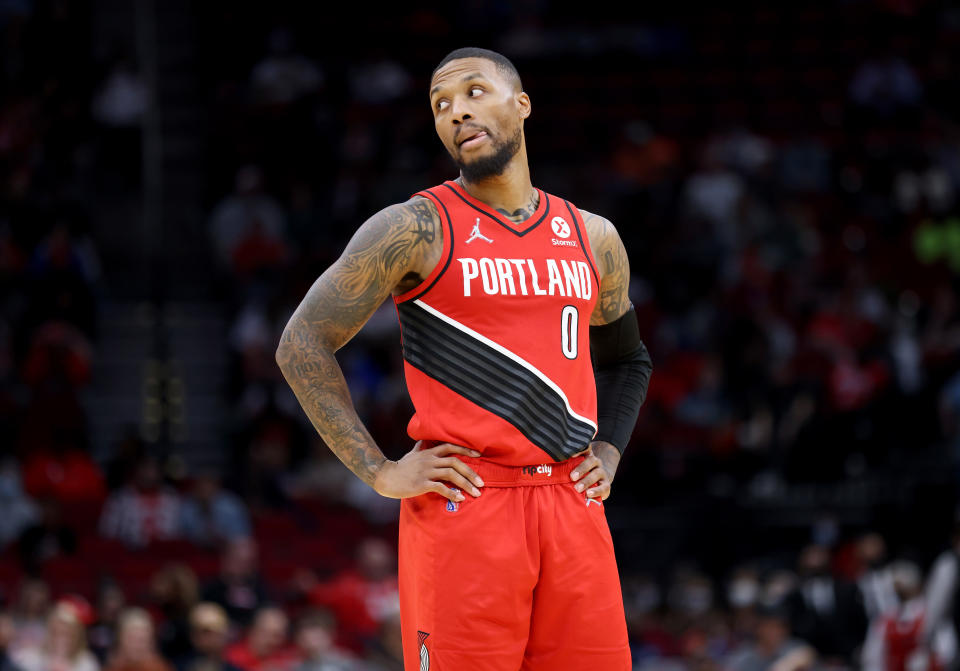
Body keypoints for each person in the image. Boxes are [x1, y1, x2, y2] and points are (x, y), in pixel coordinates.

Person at [276, 46, 652, 670]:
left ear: (522, 104)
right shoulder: (412, 227)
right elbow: (301, 342)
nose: (456, 111)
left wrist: (609, 448)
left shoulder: (592, 235)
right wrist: (377, 471)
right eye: (441, 104)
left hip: (571, 503)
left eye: (475, 92)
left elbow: (626, 358)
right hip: (467, 500)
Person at [102, 608, 174, 671]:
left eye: (142, 639)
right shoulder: (112, 668)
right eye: (132, 638)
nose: (138, 645)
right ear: (120, 639)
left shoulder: (161, 668)